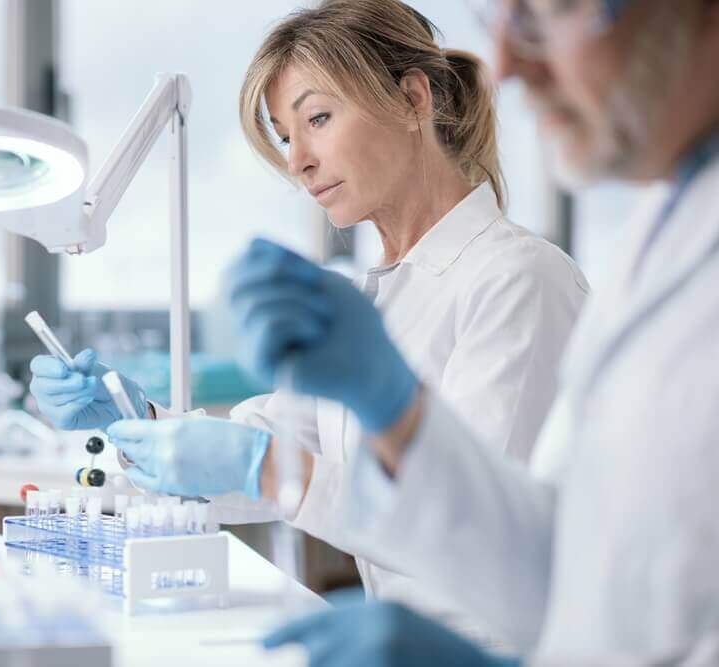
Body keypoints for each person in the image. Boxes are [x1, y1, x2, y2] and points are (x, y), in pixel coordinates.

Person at [30, 0, 587, 643]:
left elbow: (480, 530)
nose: (297, 161)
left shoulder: (518, 281)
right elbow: (264, 449)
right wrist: (134, 420)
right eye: (286, 136)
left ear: (412, 99)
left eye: (317, 118)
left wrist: (265, 465)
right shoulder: (382, 295)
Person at [227, 0, 719, 664]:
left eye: (555, 13)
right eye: (504, 21)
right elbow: (571, 566)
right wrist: (139, 423)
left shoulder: (525, 277)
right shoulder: (656, 244)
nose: (509, 66)